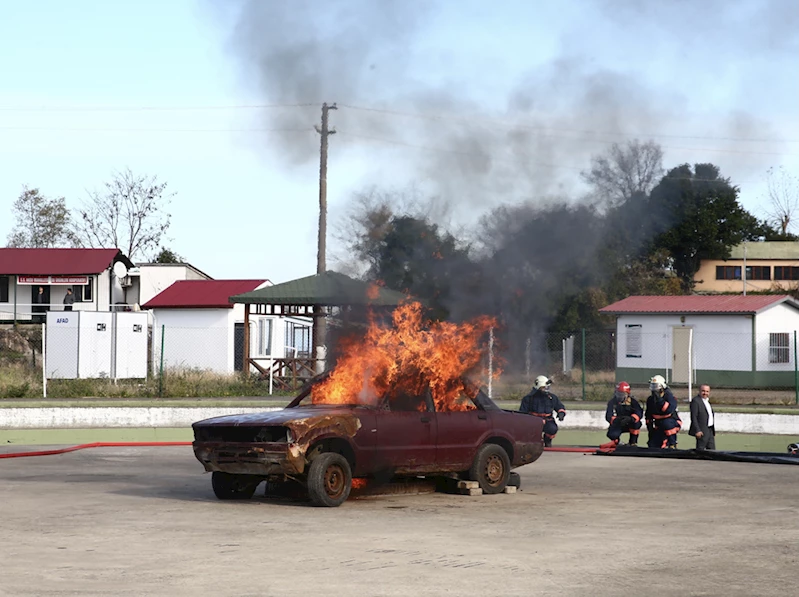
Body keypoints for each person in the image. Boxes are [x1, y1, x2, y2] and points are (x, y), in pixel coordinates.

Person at [519, 375, 566, 447]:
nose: (546, 389)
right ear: (538, 387)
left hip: (548, 421)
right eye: (544, 387)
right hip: (533, 421)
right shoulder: (528, 398)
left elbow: (559, 406)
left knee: (552, 429)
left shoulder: (552, 397)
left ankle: (547, 440)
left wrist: (561, 413)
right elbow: (522, 413)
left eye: (547, 387)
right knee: (532, 439)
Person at [645, 374, 681, 449]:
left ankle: (672, 443)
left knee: (666, 423)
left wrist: (660, 400)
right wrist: (651, 430)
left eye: (656, 386)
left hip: (672, 422)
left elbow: (668, 410)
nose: (654, 389)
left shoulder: (670, 398)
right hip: (659, 425)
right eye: (653, 386)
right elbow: (648, 415)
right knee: (653, 445)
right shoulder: (650, 400)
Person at [605, 381, 643, 446]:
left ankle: (632, 442)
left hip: (629, 423)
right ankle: (618, 443)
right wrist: (618, 420)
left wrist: (630, 418)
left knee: (637, 424)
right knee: (611, 434)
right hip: (618, 424)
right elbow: (608, 416)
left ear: (627, 394)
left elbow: (639, 413)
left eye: (622, 394)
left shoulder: (633, 402)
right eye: (618, 394)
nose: (619, 396)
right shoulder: (612, 402)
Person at [689, 384, 715, 450]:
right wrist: (697, 430)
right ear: (699, 391)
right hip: (702, 430)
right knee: (700, 449)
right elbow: (693, 417)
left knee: (712, 449)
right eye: (703, 391)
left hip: (710, 430)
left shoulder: (707, 402)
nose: (705, 393)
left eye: (707, 391)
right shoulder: (696, 401)